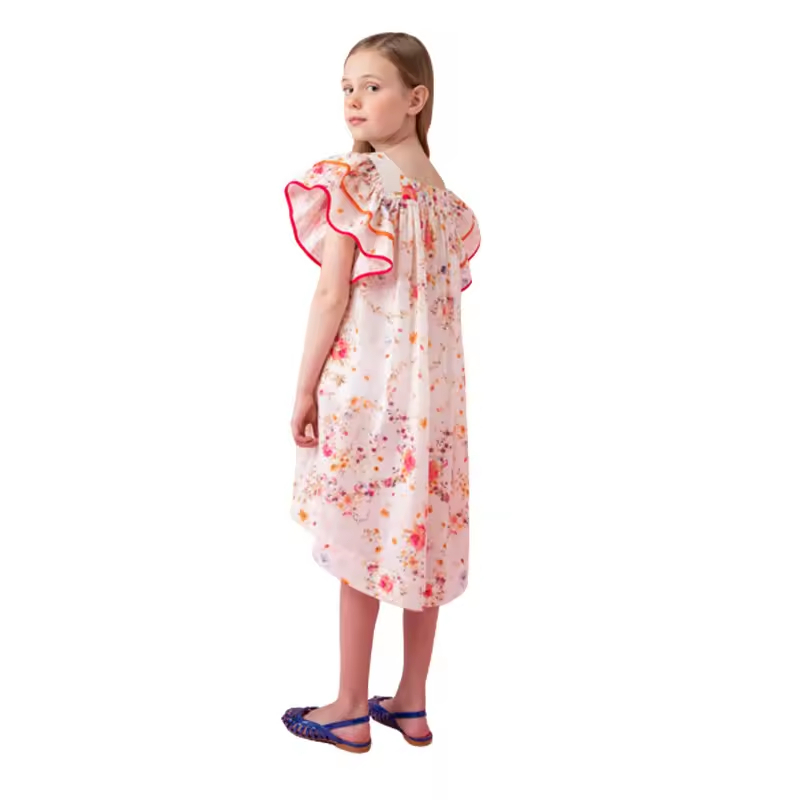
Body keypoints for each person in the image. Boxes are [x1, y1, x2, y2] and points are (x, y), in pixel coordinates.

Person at [280, 32, 480, 753]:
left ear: (416, 98)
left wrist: (305, 388)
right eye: (346, 87)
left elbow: (332, 293)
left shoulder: (359, 183)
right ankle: (411, 702)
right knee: (420, 537)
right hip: (435, 409)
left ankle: (348, 707)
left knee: (361, 538)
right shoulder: (447, 204)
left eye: (372, 86)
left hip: (368, 394)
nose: (353, 101)